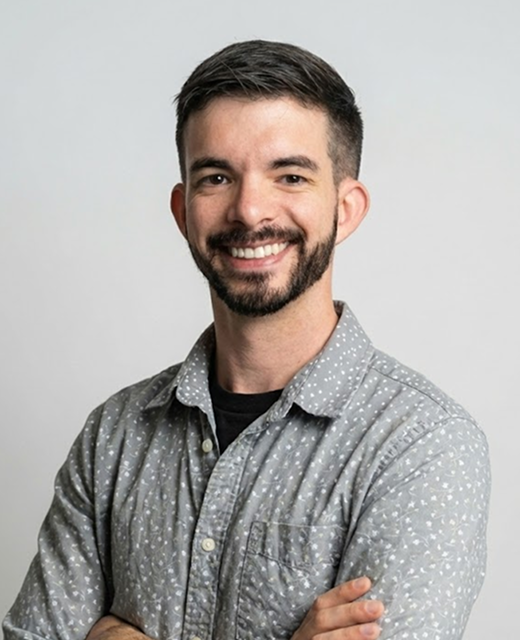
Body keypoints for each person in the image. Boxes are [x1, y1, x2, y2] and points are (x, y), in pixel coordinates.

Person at [3, 40, 490, 640]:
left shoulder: (423, 446)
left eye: (290, 176)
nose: (250, 210)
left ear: (346, 208)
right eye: (216, 177)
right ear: (183, 211)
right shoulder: (114, 437)